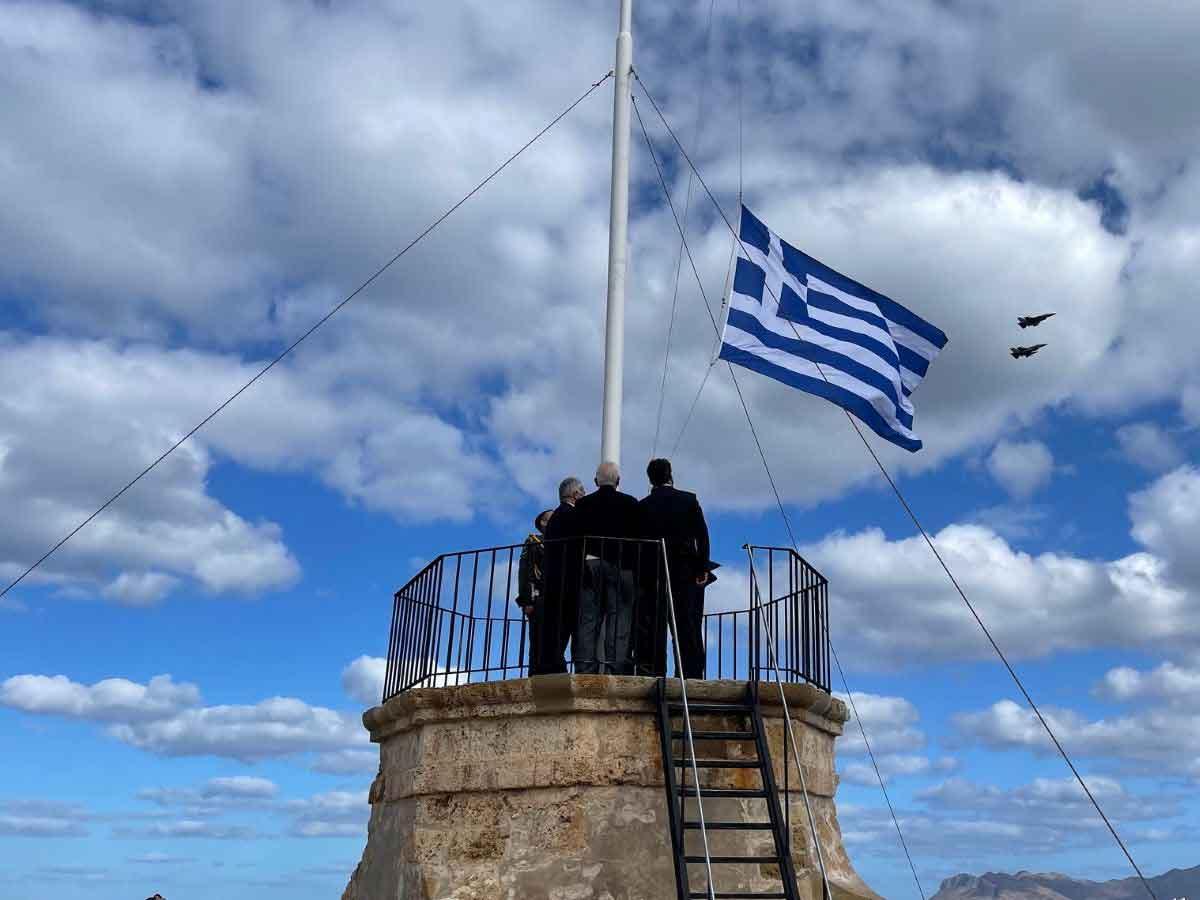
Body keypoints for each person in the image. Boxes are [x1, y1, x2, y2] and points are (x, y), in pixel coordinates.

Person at [638, 458, 711, 679]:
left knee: (655, 627)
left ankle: (655, 672)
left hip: (653, 573)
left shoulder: (643, 506)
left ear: (650, 479)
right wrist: (702, 568)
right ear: (670, 474)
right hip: (685, 572)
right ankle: (690, 675)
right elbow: (702, 536)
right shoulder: (688, 500)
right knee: (687, 626)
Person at [571, 461, 642, 674]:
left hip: (590, 564)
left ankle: (585, 668)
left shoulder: (583, 505)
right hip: (621, 566)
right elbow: (637, 536)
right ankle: (616, 667)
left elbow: (576, 537)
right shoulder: (631, 503)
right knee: (618, 619)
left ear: (595, 481)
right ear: (618, 481)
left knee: (588, 619)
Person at [536, 477, 586, 675]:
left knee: (558, 627)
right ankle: (556, 666)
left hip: (556, 579)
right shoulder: (571, 515)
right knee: (566, 626)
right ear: (574, 494)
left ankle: (552, 665)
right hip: (568, 579)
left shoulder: (557, 516)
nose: (584, 494)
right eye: (582, 491)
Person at [516, 509, 554, 618]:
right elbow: (526, 571)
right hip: (540, 596)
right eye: (553, 516)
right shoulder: (534, 541)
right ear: (543, 522)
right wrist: (528, 600)